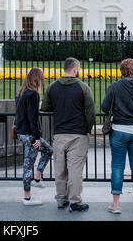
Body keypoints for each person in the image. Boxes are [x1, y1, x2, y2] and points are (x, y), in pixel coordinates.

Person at [41, 57, 95, 212]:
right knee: (75, 170)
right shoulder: (83, 87)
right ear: (76, 69)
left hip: (59, 133)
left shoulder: (52, 87)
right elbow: (90, 112)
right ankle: (75, 201)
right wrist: (88, 129)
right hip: (78, 134)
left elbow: (45, 107)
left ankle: (61, 199)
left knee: (60, 170)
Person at [101, 58, 133, 215]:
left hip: (120, 130)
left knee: (117, 166)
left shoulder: (115, 86)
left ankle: (116, 204)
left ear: (121, 71)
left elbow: (104, 107)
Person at [15, 67, 53, 206]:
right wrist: (37, 138)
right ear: (38, 79)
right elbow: (33, 118)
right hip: (30, 134)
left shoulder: (21, 92)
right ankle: (28, 197)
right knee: (29, 164)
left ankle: (37, 176)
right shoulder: (33, 94)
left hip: (21, 132)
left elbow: (24, 112)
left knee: (40, 155)